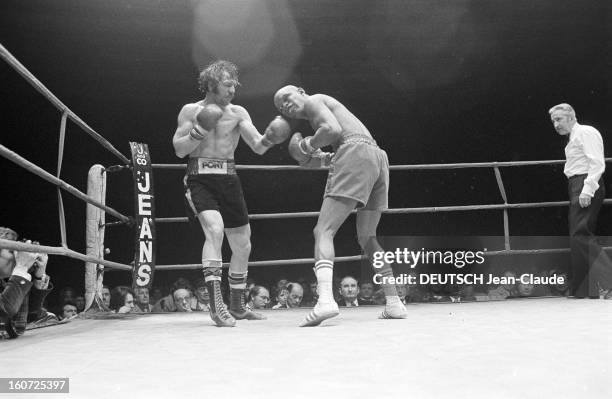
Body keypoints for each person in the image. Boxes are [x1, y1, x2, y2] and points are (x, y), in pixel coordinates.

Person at [274, 85, 408, 326]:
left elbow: (332, 130)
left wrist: (306, 146)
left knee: (323, 231)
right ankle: (394, 303)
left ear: (301, 91)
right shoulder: (328, 109)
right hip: (376, 157)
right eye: (280, 106)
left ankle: (325, 301)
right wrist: (320, 155)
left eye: (286, 97)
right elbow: (335, 144)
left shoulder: (314, 100)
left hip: (354, 152)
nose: (284, 105)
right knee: (368, 237)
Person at [173, 60, 291, 327]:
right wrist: (200, 129)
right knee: (214, 230)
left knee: (242, 244)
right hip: (199, 178)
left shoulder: (238, 112)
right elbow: (180, 149)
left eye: (234, 84)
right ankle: (216, 306)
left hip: (228, 178)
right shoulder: (191, 110)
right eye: (227, 84)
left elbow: (258, 146)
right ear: (212, 83)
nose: (232, 89)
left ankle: (237, 305)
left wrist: (272, 137)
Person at [549, 103, 612, 299]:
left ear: (571, 117)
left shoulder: (585, 132)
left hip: (585, 183)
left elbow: (597, 163)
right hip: (577, 184)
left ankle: (609, 281)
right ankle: (583, 288)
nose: (556, 124)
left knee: (580, 234)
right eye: (553, 121)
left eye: (559, 119)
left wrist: (587, 188)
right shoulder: (574, 137)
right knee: (577, 236)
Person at [0, 227, 53, 338]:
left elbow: (30, 315)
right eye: (12, 251)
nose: (17, 256)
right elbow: (3, 314)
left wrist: (38, 275)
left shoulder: (4, 284)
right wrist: (21, 268)